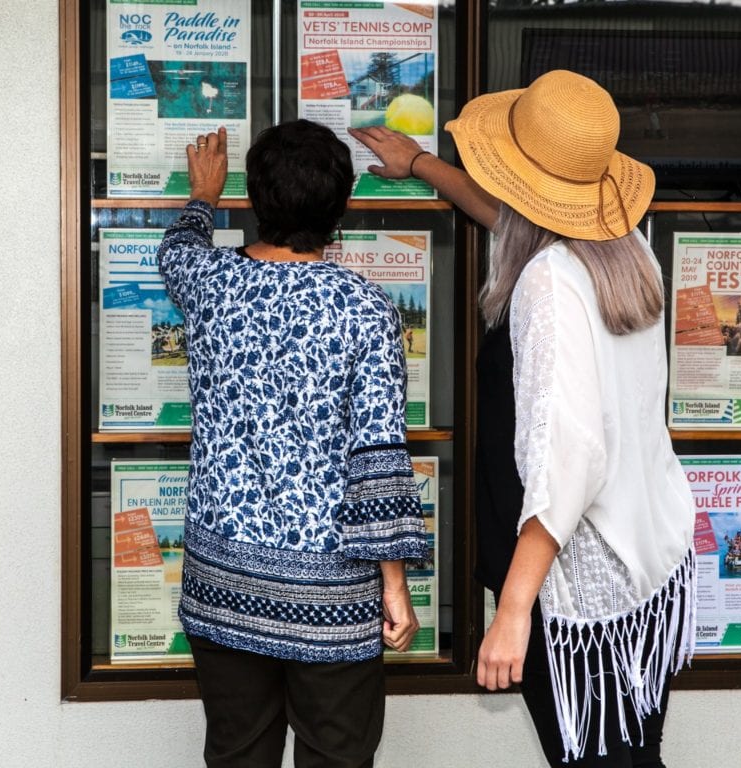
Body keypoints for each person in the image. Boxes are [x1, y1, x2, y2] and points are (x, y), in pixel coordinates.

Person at [351, 69, 697, 767]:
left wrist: (513, 609)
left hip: (578, 587)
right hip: (649, 562)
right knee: (638, 756)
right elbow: (513, 221)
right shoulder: (627, 247)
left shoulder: (547, 282)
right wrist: (421, 165)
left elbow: (570, 455)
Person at [156, 119, 429, 768]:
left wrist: (203, 195)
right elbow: (378, 455)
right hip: (331, 596)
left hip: (225, 584)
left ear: (255, 199)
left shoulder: (208, 283)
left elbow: (177, 247)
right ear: (341, 208)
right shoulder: (366, 308)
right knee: (337, 756)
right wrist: (394, 583)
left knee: (237, 755)